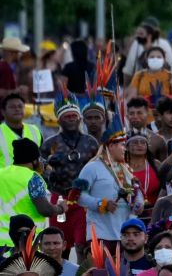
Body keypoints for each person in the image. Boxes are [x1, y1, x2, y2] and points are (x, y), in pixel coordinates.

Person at [40, 97, 98, 258]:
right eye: (67, 116)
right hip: (59, 199)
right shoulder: (49, 144)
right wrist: (50, 173)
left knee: (81, 244)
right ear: (59, 120)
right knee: (58, 244)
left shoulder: (91, 142)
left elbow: (99, 167)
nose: (71, 119)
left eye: (74, 116)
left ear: (80, 118)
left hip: (83, 199)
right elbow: (39, 169)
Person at [77, 121, 144, 246]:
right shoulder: (92, 167)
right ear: (111, 146)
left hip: (125, 235)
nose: (125, 149)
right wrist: (102, 204)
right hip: (100, 234)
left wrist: (139, 203)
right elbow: (78, 195)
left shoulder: (126, 170)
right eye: (122, 145)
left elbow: (136, 190)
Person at [0, 139, 67, 250]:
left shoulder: (1, 173)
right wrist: (60, 208)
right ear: (34, 160)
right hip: (23, 244)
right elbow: (45, 210)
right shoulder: (33, 178)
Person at [1, 93, 43, 166]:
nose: (17, 109)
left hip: (32, 177)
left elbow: (41, 157)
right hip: (7, 177)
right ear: (3, 112)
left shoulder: (34, 130)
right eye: (12, 107)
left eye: (20, 106)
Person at [125, 97, 168, 162]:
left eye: (139, 113)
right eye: (132, 113)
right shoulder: (119, 138)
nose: (135, 116)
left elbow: (163, 170)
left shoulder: (158, 141)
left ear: (147, 114)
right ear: (127, 115)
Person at [0, 38, 30, 104]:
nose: (20, 55)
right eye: (18, 52)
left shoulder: (5, 66)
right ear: (12, 53)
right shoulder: (5, 68)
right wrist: (17, 90)